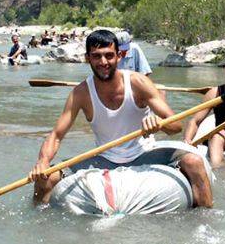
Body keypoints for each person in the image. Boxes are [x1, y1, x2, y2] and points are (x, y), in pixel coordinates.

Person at [28, 29, 213, 208]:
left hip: (145, 153)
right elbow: (56, 135)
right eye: (96, 56)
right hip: (105, 158)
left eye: (109, 55)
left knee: (194, 162)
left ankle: (206, 221)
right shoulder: (81, 93)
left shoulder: (138, 83)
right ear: (87, 58)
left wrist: (159, 124)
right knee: (47, 178)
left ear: (119, 56)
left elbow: (176, 125)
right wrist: (42, 162)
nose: (103, 62)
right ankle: (38, 225)